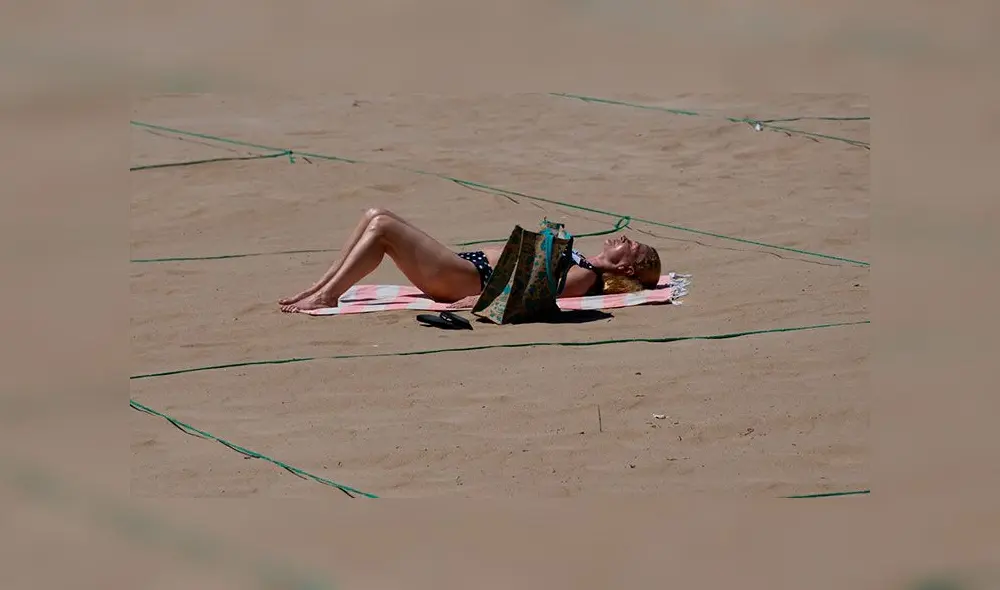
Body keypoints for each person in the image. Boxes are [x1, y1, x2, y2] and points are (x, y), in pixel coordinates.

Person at [278, 208, 662, 312]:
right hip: (464, 268)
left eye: (635, 249)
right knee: (374, 214)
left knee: (382, 228)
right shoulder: (584, 263)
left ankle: (328, 296)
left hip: (464, 279)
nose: (627, 239)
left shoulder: (585, 276)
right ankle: (322, 286)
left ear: (627, 269)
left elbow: (534, 299)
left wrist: (474, 303)